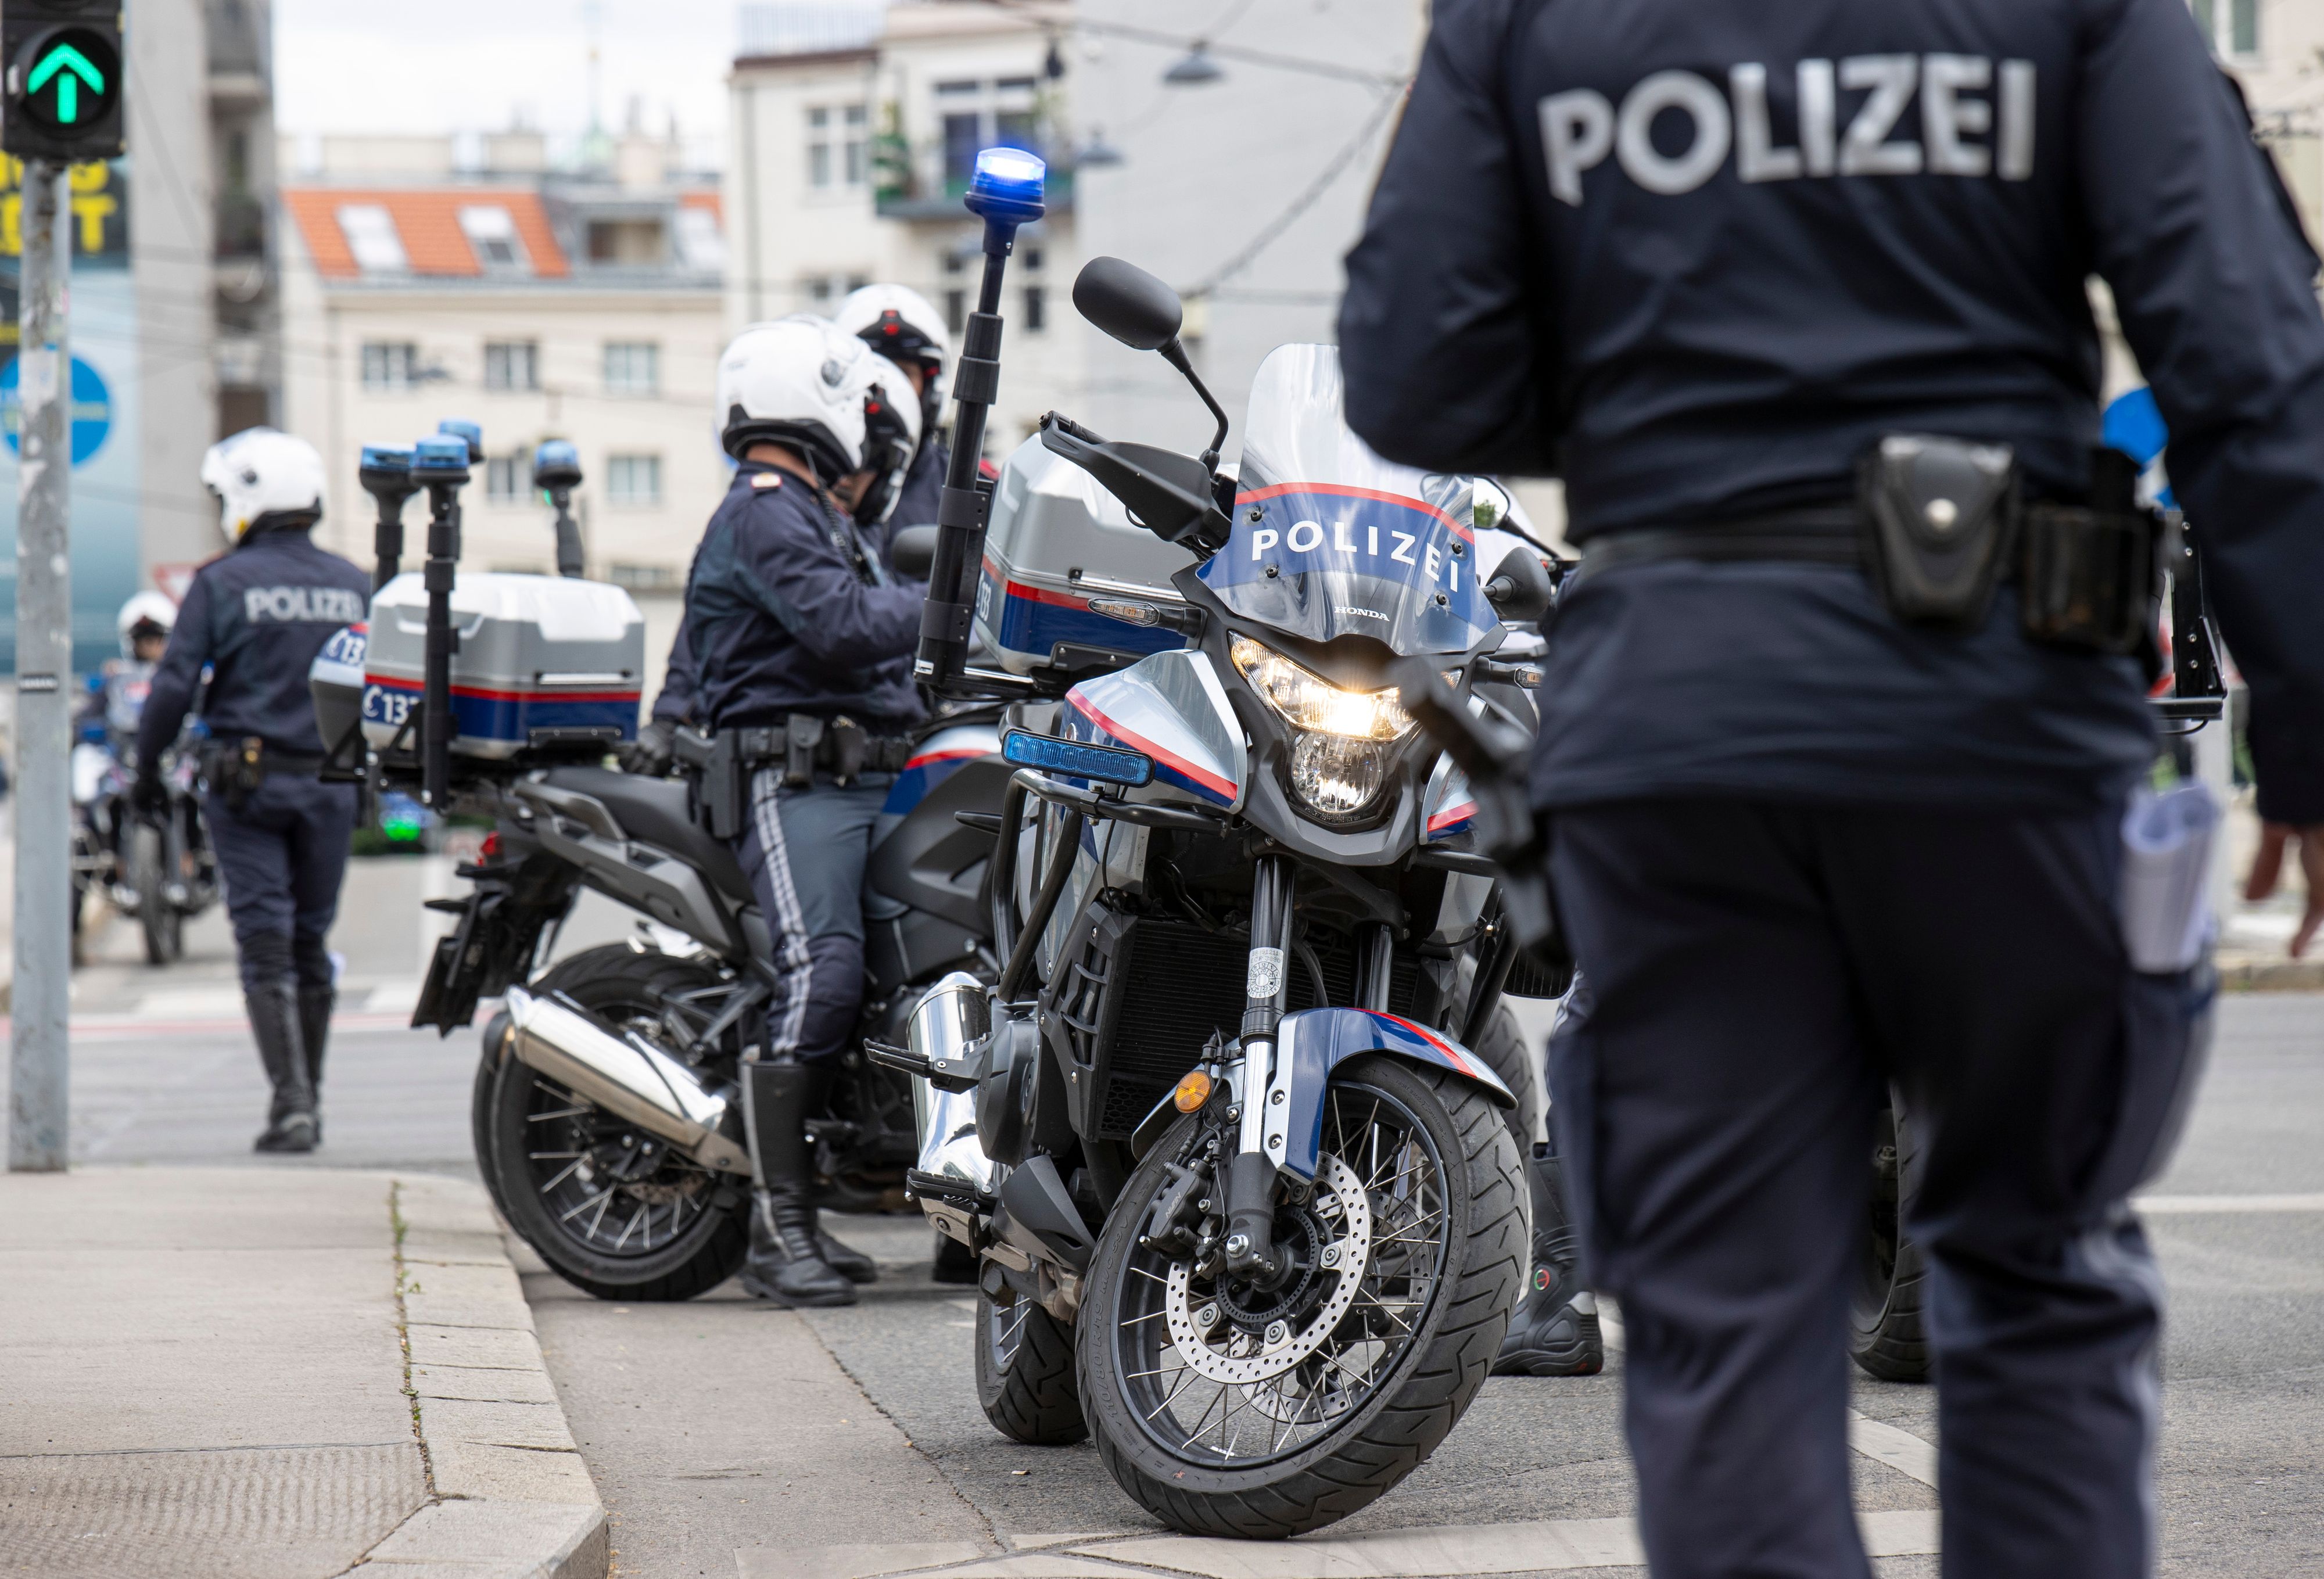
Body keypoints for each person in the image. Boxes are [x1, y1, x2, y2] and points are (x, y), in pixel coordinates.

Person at [1339, 6, 2324, 1578]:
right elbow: (2255, 355)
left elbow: (1415, 373)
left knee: (1723, 1315)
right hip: (1997, 716)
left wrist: (1662, 385)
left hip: (1677, 724)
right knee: (2037, 1274)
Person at [682, 316, 928, 1307]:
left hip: (865, 776)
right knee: (824, 972)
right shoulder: (766, 506)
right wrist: (961, 593)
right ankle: (778, 1229)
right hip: (794, 781)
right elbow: (841, 627)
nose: (870, 438)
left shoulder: (820, 516)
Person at [137, 428, 371, 1154]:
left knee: (266, 943)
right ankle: (311, 1099)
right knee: (310, 940)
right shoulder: (354, 582)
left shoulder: (222, 581)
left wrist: (147, 772)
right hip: (332, 787)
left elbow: (176, 682)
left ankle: (293, 1104)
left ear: (246, 496)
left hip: (249, 786)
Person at [631, 283, 952, 771]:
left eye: (907, 374)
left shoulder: (967, 492)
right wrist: (671, 718)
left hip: (893, 744)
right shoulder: (777, 508)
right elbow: (725, 626)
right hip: (803, 761)